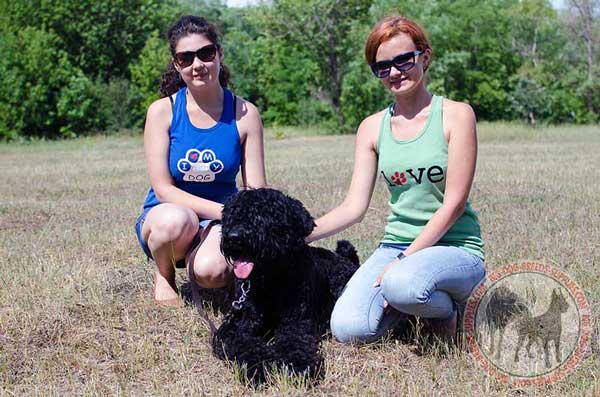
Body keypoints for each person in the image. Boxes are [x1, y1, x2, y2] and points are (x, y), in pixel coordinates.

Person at [307, 15, 485, 343]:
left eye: (404, 60)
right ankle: (411, 303)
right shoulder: (371, 128)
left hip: (456, 248)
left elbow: (454, 205)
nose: (394, 71)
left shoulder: (457, 115)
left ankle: (447, 312)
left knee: (402, 284)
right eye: (382, 66)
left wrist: (404, 262)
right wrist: (298, 235)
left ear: (425, 58)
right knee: (348, 329)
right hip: (395, 247)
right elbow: (353, 207)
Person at [135, 15, 267, 307]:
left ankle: (212, 262)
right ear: (176, 63)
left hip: (219, 220)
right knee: (177, 220)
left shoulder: (245, 114)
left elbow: (255, 188)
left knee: (212, 271)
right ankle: (164, 274)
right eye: (186, 57)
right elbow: (163, 189)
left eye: (206, 53)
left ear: (219, 53)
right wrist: (225, 211)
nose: (198, 64)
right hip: (168, 217)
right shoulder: (162, 112)